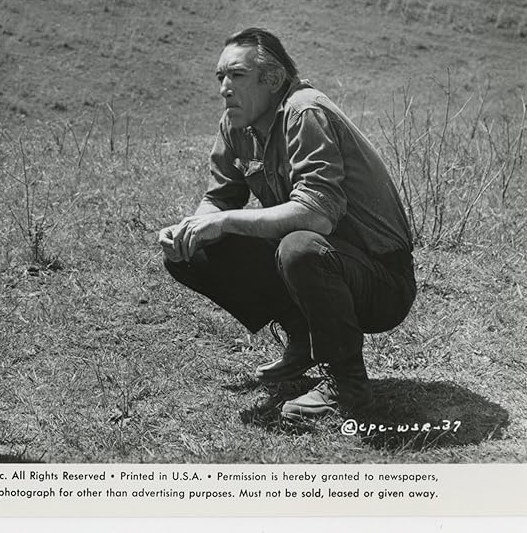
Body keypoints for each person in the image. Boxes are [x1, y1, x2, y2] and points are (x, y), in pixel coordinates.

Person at [158, 28, 416, 420]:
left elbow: (316, 214)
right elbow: (219, 198)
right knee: (192, 251)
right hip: (324, 262)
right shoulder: (237, 124)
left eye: (238, 76)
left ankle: (347, 388)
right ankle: (304, 339)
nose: (225, 88)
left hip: (381, 280)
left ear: (273, 79)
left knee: (299, 247)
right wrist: (192, 228)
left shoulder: (304, 111)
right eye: (220, 77)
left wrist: (225, 221)